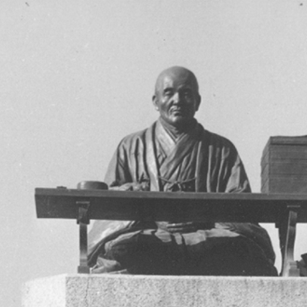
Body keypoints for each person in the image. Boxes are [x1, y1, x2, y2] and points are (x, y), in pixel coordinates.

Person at [88, 66, 277, 276]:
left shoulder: (222, 149)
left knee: (245, 252)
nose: (177, 100)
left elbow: (242, 207)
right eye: (169, 93)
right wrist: (131, 194)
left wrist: (202, 215)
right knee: (119, 253)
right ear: (155, 101)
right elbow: (108, 205)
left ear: (197, 101)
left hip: (207, 235)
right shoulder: (131, 146)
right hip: (150, 234)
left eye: (186, 93)